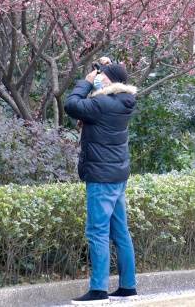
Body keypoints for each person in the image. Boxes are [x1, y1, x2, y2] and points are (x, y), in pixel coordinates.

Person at [64, 62, 139, 304]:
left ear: (109, 81)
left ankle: (98, 290)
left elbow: (71, 105)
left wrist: (85, 82)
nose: (98, 79)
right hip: (117, 176)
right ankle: (128, 286)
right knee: (120, 232)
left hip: (101, 177)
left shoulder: (101, 104)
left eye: (101, 76)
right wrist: (105, 68)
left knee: (97, 231)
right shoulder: (122, 101)